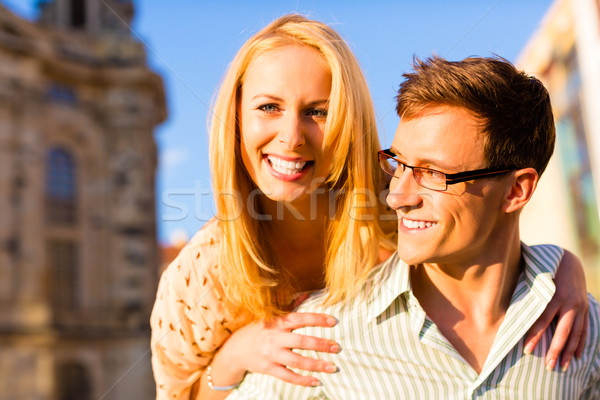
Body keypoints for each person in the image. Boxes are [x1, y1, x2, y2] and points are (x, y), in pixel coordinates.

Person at [150, 16, 589, 400]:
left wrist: (562, 270)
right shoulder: (203, 274)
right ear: (236, 119)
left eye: (318, 112)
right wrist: (233, 356)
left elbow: (481, 231)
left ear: (346, 120)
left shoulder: (389, 194)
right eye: (269, 107)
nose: (291, 136)